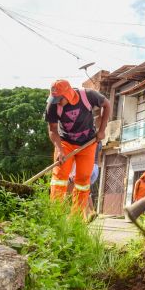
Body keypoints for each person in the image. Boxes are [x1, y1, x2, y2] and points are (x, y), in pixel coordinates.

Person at [45, 80, 111, 214]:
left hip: (87, 143)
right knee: (59, 176)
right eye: (54, 98)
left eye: (59, 99)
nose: (57, 102)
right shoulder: (52, 106)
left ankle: (77, 217)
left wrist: (102, 130)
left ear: (68, 94)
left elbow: (107, 104)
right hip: (65, 143)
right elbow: (52, 130)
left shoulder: (89, 96)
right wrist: (60, 149)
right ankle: (55, 214)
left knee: (83, 180)